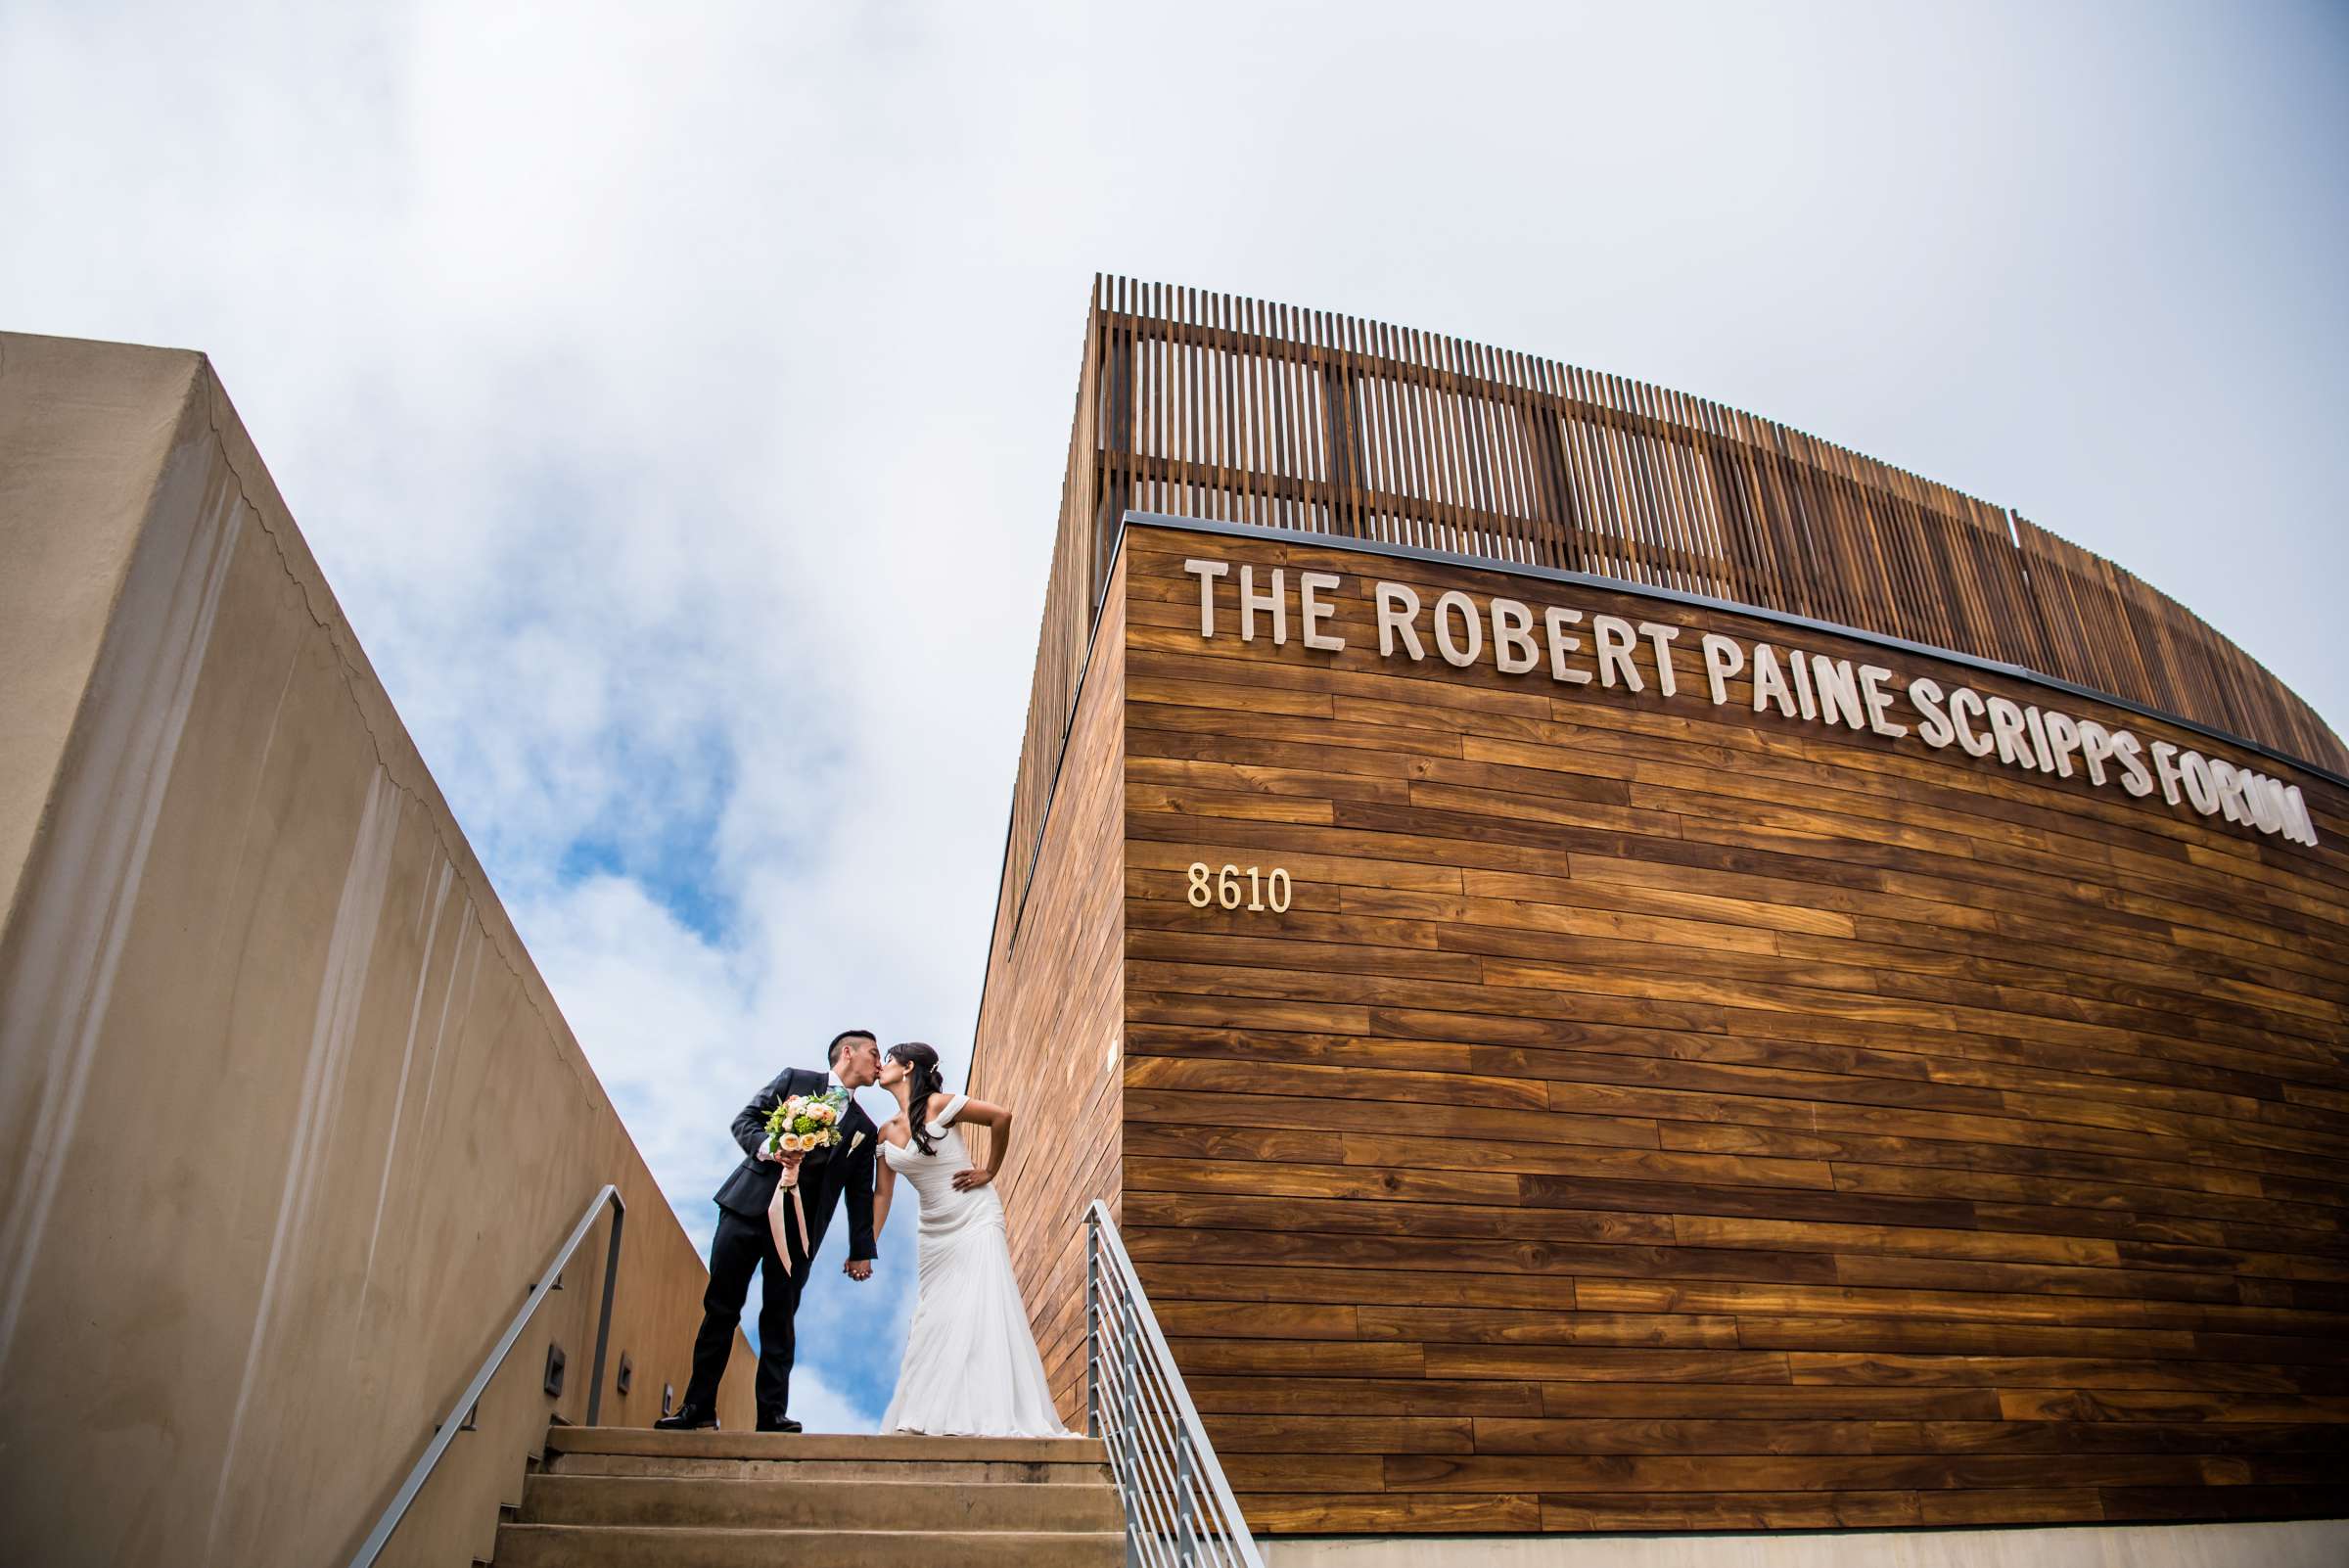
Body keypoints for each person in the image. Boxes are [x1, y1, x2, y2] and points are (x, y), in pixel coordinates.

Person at [654, 1029, 881, 1433]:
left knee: (780, 1320)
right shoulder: (796, 1080)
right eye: (873, 1054)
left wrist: (861, 1248)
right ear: (848, 1053)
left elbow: (860, 1194)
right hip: (745, 1208)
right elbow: (745, 1121)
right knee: (720, 1308)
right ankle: (698, 1407)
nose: (879, 1064)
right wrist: (770, 1148)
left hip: (799, 1232)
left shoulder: (865, 1128)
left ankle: (772, 1415)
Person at [870, 1040, 1072, 1438]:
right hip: (933, 1231)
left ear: (908, 1067)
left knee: (982, 1304)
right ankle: (931, 1411)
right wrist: (867, 1246)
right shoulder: (884, 1131)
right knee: (937, 1314)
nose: (881, 1065)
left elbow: (1002, 1116)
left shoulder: (940, 1104)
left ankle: (985, 1410)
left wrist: (990, 1171)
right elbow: (883, 1194)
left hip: (975, 1216)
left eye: (888, 1060)